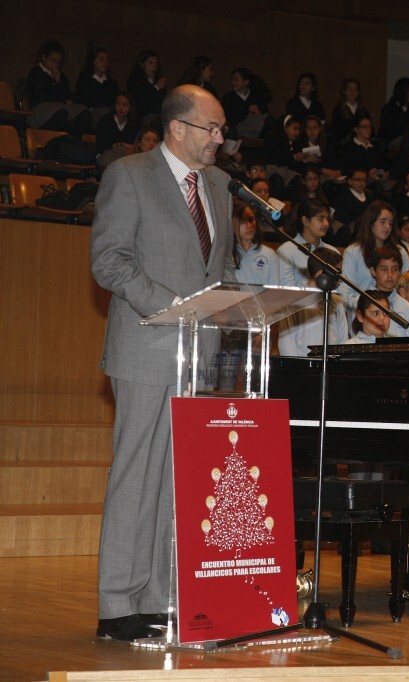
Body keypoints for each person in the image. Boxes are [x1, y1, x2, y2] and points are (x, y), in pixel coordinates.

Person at [90, 85, 236, 641]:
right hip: (147, 345)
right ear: (178, 128)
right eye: (212, 128)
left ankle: (158, 597)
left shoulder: (220, 186)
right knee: (137, 475)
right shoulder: (129, 176)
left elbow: (215, 269)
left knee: (180, 483)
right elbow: (109, 261)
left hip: (202, 356)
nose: (220, 139)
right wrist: (169, 307)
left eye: (222, 130)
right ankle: (117, 604)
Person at [341, 201, 409, 312]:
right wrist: (366, 310)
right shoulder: (353, 252)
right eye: (382, 222)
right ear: (370, 222)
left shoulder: (401, 252)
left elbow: (407, 287)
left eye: (390, 223)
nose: (387, 227)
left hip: (394, 314)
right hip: (361, 314)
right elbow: (345, 292)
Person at [278, 248, 350, 355]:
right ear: (321, 274)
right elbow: (286, 343)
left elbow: (343, 340)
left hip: (332, 366)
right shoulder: (293, 300)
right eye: (337, 273)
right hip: (303, 367)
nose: (340, 279)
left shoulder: (337, 301)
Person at [369, 245, 409, 338]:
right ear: (373, 271)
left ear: (400, 272)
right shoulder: (362, 302)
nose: (390, 275)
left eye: (395, 269)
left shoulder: (407, 308)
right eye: (384, 269)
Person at [231, 199, 278, 285]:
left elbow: (274, 292)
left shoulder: (269, 254)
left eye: (251, 220)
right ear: (231, 223)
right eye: (242, 222)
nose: (249, 226)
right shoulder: (225, 255)